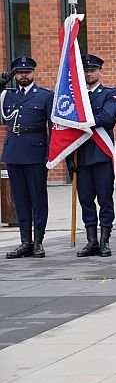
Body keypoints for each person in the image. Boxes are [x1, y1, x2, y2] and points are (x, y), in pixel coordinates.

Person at [1, 57, 54, 259]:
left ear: (33, 73)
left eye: (27, 71)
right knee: (20, 199)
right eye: (20, 72)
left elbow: (52, 126)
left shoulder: (44, 96)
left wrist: (52, 153)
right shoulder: (7, 95)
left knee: (37, 198)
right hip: (13, 151)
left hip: (35, 151)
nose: (24, 75)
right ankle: (25, 242)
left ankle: (38, 241)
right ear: (15, 75)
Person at [70, 54, 116, 257]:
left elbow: (107, 118)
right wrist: (68, 158)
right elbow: (65, 127)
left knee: (105, 199)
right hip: (80, 155)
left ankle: (104, 240)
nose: (88, 73)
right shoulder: (75, 96)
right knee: (85, 199)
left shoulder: (110, 93)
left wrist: (81, 121)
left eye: (92, 70)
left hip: (101, 153)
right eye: (85, 70)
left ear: (100, 71)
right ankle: (91, 240)